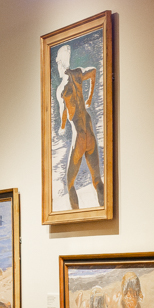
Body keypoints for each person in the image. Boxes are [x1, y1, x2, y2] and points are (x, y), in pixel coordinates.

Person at [55, 45, 105, 211]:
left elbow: (63, 113)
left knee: (70, 184)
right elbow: (94, 72)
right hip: (90, 133)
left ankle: (76, 215)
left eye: (57, 62)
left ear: (60, 63)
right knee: (97, 180)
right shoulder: (78, 73)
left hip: (79, 136)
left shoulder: (61, 89)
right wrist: (89, 98)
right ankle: (103, 209)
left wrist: (62, 127)